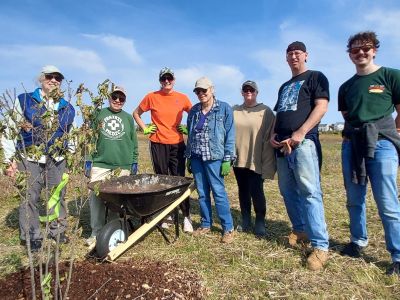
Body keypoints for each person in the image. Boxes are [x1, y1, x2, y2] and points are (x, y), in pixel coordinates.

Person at [338, 31, 400, 276]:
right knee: (354, 197)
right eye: (355, 50)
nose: (360, 53)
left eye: (366, 48)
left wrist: (393, 133)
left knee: (387, 201)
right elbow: (347, 115)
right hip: (351, 145)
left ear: (374, 50)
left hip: (382, 143)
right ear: (350, 54)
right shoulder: (346, 87)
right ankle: (357, 241)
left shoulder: (390, 76)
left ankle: (397, 255)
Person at [1, 65, 75, 252]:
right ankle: (31, 235)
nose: (54, 80)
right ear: (41, 79)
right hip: (30, 157)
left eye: (58, 78)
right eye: (50, 76)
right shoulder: (25, 100)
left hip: (57, 158)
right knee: (29, 196)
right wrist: (8, 159)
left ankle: (57, 231)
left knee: (57, 195)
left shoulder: (67, 107)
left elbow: (71, 134)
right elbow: (9, 130)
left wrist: (71, 157)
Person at [269, 42, 330, 271]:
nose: (293, 56)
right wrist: (273, 134)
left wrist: (301, 132)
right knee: (287, 191)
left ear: (306, 55)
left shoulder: (316, 77)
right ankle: (300, 229)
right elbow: (280, 113)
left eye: (297, 52)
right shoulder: (285, 85)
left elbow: (321, 107)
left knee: (310, 192)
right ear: (286, 58)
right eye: (290, 53)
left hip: (303, 143)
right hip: (282, 146)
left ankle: (321, 246)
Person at [132, 67, 193, 232]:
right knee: (161, 179)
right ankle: (165, 215)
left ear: (174, 80)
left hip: (178, 144)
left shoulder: (182, 98)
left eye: (170, 78)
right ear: (160, 80)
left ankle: (186, 216)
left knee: (179, 179)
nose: (167, 81)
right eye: (163, 79)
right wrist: (145, 128)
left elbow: (194, 114)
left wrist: (189, 128)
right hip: (158, 143)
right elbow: (136, 113)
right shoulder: (151, 97)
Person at [85, 85, 139, 247]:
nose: (117, 101)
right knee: (96, 198)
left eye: (121, 98)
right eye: (115, 97)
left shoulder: (128, 118)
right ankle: (96, 232)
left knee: (118, 200)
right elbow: (90, 139)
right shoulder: (98, 114)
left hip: (122, 165)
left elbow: (133, 142)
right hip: (100, 164)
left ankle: (114, 229)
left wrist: (134, 161)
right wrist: (88, 160)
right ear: (109, 97)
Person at [185, 77, 235, 243]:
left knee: (218, 192)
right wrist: (189, 156)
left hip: (214, 157)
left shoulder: (224, 109)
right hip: (197, 157)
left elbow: (230, 136)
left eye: (204, 90)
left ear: (212, 90)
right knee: (202, 193)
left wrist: (227, 158)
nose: (201, 94)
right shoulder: (193, 111)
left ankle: (228, 228)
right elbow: (191, 135)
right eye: (197, 91)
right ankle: (205, 224)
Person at [232, 80, 276, 237]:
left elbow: (270, 138)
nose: (248, 91)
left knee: (256, 191)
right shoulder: (234, 110)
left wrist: (268, 164)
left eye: (252, 89)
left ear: (257, 92)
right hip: (238, 159)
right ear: (242, 92)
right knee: (243, 190)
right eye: (245, 89)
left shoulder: (266, 111)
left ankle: (260, 220)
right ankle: (245, 219)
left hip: (256, 159)